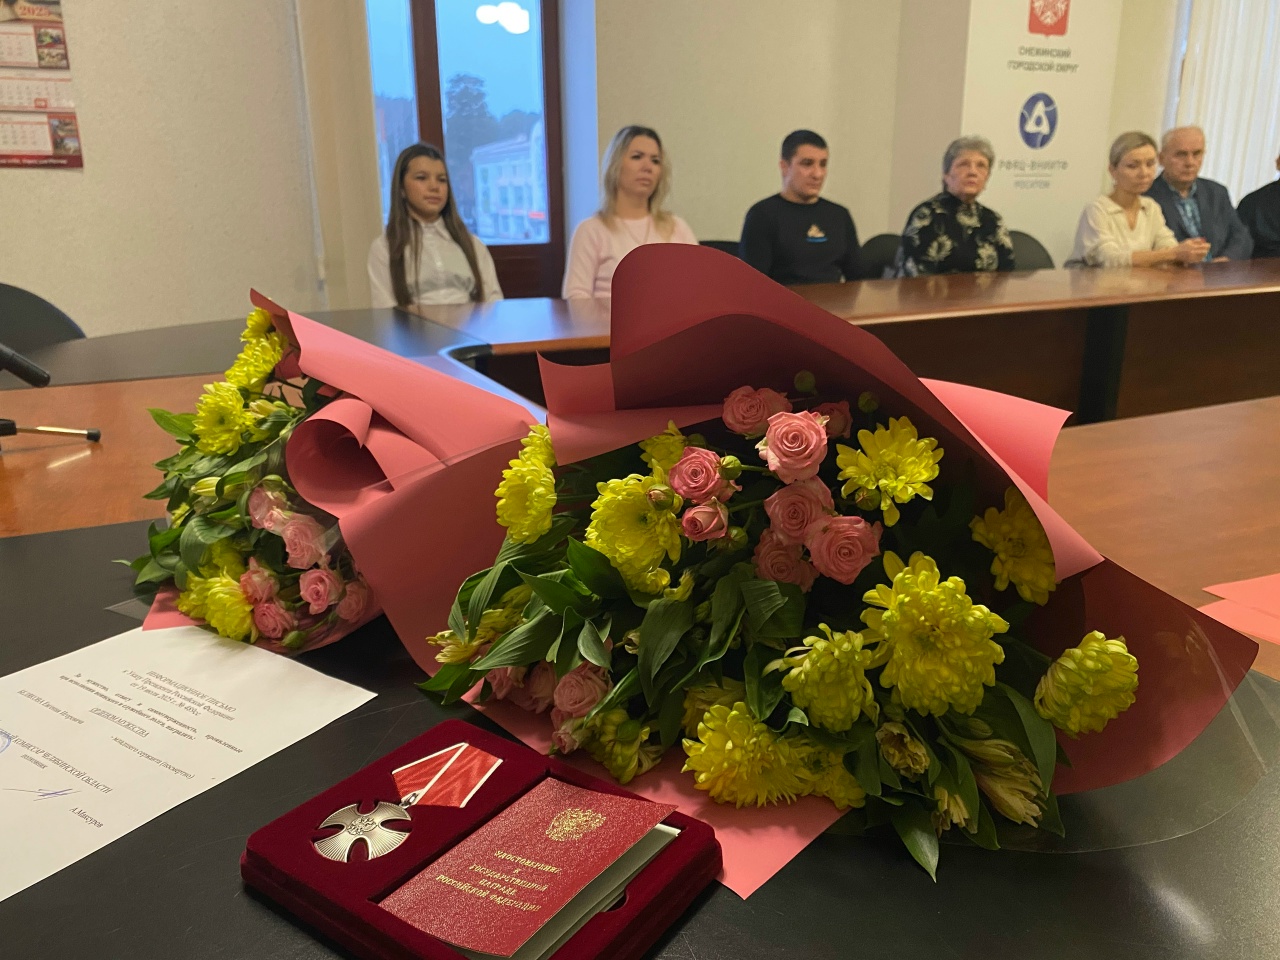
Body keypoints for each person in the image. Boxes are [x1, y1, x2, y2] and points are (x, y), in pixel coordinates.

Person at [561, 125, 698, 299]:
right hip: (609, 317)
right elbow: (577, 296)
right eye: (637, 157)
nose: (647, 167)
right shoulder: (591, 230)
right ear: (615, 165)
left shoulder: (677, 226)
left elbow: (700, 284)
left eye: (655, 161)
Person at [368, 143, 502, 308]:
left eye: (442, 180)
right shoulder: (385, 248)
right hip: (411, 325)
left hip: (469, 324)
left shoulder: (472, 245)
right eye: (421, 178)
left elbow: (494, 303)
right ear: (401, 188)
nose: (434, 187)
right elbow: (385, 312)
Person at [1065, 132, 1211, 268]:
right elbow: (1111, 259)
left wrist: (1188, 251)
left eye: (1150, 164)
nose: (1144, 173)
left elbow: (1167, 244)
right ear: (1112, 170)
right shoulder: (1097, 209)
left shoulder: (1150, 207)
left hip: (1139, 284)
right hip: (1095, 285)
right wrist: (1173, 254)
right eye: (1133, 166)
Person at [739, 130, 862, 284]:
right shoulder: (762, 215)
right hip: (784, 298)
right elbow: (752, 285)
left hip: (833, 298)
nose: (817, 174)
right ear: (785, 167)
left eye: (823, 164)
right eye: (807, 164)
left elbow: (858, 280)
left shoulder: (839, 215)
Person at [892, 136, 1016, 277]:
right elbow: (915, 279)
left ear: (987, 177)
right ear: (946, 175)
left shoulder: (993, 220)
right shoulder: (926, 216)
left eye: (981, 166)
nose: (972, 172)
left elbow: (1007, 276)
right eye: (963, 164)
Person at [1144, 126, 1253, 261]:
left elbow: (1241, 236)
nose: (1190, 162)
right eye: (1181, 154)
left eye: (1197, 154)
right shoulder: (1146, 196)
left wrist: (1226, 259)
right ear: (1161, 159)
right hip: (1174, 271)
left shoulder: (1217, 192)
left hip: (1218, 270)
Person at [1237, 151, 1280, 259]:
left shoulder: (1252, 201)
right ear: (1278, 163)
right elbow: (1237, 246)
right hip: (1261, 267)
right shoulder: (1252, 203)